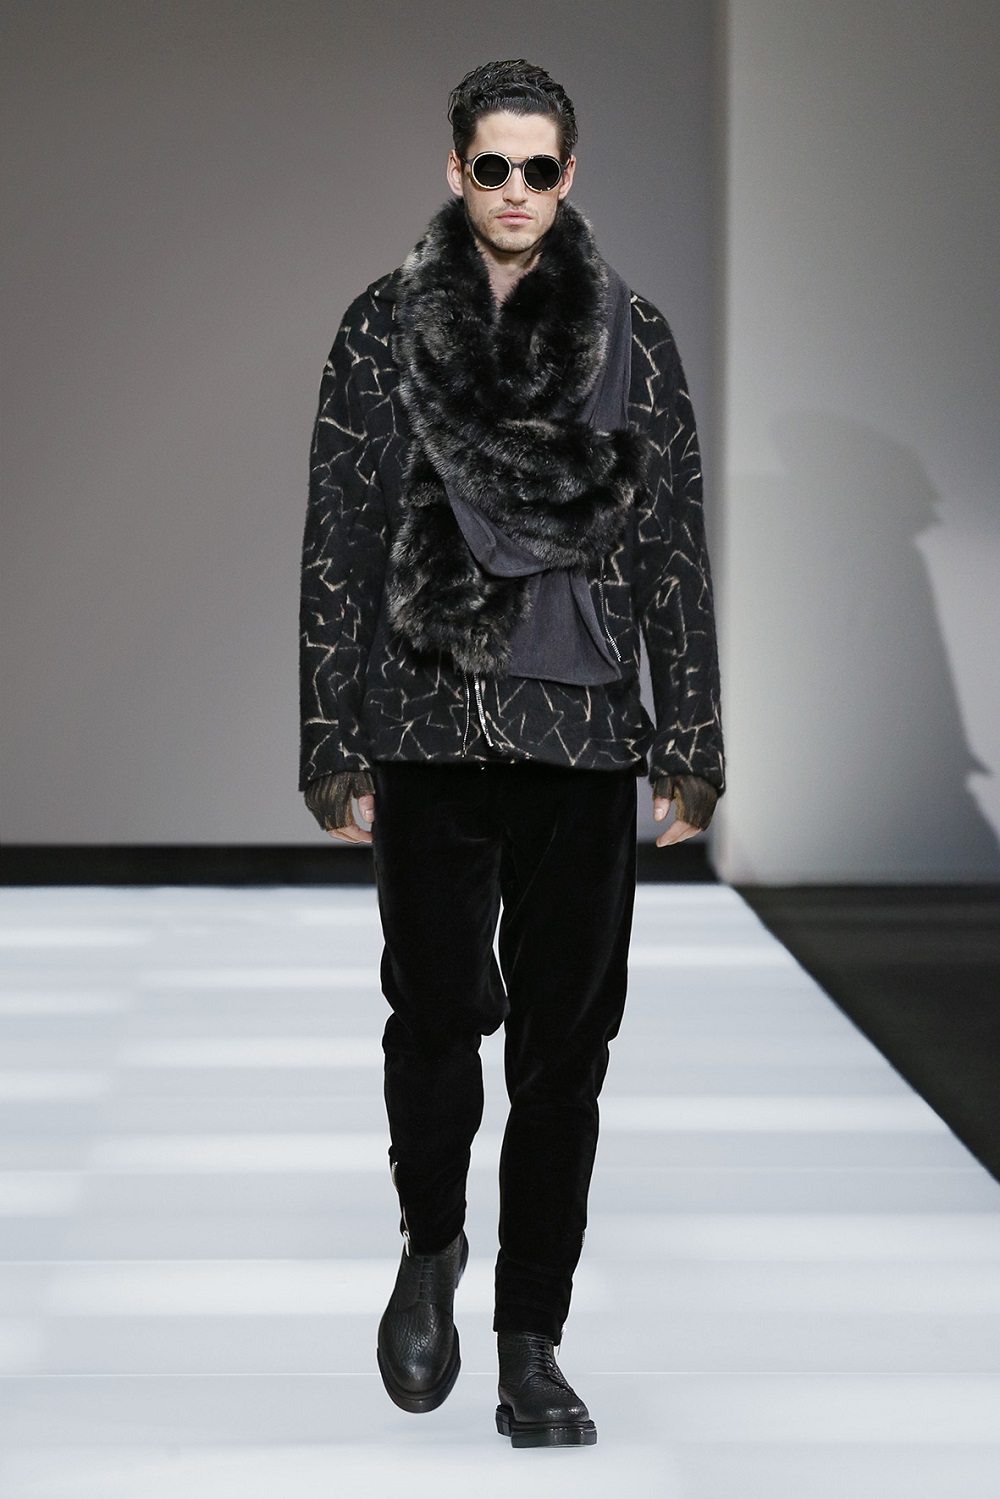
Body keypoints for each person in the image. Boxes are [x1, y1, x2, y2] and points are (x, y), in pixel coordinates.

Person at [299, 58, 725, 1449]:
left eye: (541, 169)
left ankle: (530, 1338)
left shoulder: (631, 336)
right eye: (495, 167)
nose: (518, 192)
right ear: (456, 170)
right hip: (427, 720)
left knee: (566, 1049)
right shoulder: (381, 328)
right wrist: (329, 736)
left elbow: (671, 542)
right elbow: (340, 535)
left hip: (584, 727)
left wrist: (691, 737)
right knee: (433, 1017)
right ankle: (432, 1240)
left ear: (570, 174)